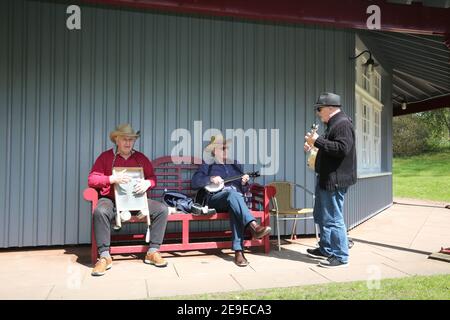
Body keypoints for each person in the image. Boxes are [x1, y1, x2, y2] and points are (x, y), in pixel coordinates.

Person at [88, 124, 169, 276]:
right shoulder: (105, 157)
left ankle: (152, 252)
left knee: (162, 210)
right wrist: (112, 178)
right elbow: (92, 179)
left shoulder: (140, 158)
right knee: (100, 211)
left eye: (131, 140)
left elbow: (152, 178)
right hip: (111, 199)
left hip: (136, 200)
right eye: (124, 139)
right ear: (116, 140)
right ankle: (104, 256)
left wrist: (148, 183)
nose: (128, 142)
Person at [191, 135, 271, 267]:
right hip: (216, 198)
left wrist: (244, 183)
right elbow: (195, 182)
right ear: (215, 150)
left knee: (235, 201)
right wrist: (211, 178)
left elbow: (244, 189)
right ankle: (253, 227)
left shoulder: (235, 164)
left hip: (234, 199)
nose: (226, 150)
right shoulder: (208, 165)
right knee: (234, 196)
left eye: (226, 148)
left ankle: (239, 252)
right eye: (222, 148)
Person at [304, 92, 357, 268]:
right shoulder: (332, 124)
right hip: (326, 178)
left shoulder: (342, 124)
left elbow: (342, 149)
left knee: (333, 218)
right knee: (321, 216)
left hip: (334, 180)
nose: (318, 113)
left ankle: (341, 256)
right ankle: (326, 248)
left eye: (319, 109)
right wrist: (313, 145)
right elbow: (328, 149)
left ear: (330, 108)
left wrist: (318, 140)